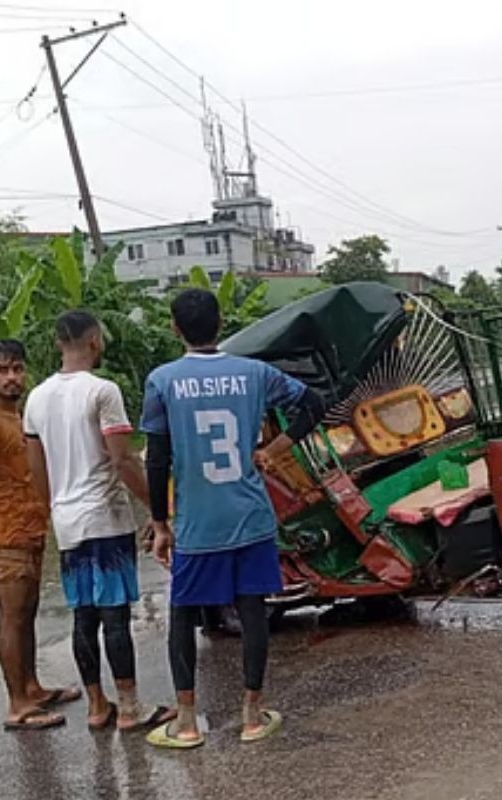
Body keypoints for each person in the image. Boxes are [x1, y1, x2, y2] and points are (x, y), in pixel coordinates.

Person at [140, 288, 324, 750]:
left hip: (198, 523)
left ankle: (185, 721)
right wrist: (273, 452)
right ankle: (252, 714)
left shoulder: (162, 381)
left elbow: (157, 459)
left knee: (183, 614)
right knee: (251, 610)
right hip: (250, 516)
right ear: (221, 324)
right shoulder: (255, 373)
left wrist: (160, 524)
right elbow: (314, 405)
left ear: (174, 327)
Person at [23, 311, 172, 732]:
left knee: (83, 616)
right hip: (105, 517)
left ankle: (95, 704)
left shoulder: (36, 398)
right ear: (94, 341)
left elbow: (37, 467)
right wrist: (157, 510)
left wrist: (53, 507)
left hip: (67, 520)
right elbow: (122, 459)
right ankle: (129, 706)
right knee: (115, 616)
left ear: (57, 344)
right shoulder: (103, 391)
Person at [0, 339, 80, 732]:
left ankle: (32, 686)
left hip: (30, 529)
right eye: (2, 369)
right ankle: (17, 704)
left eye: (17, 369)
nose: (12, 377)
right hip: (4, 534)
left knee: (27, 614)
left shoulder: (19, 415)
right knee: (12, 618)